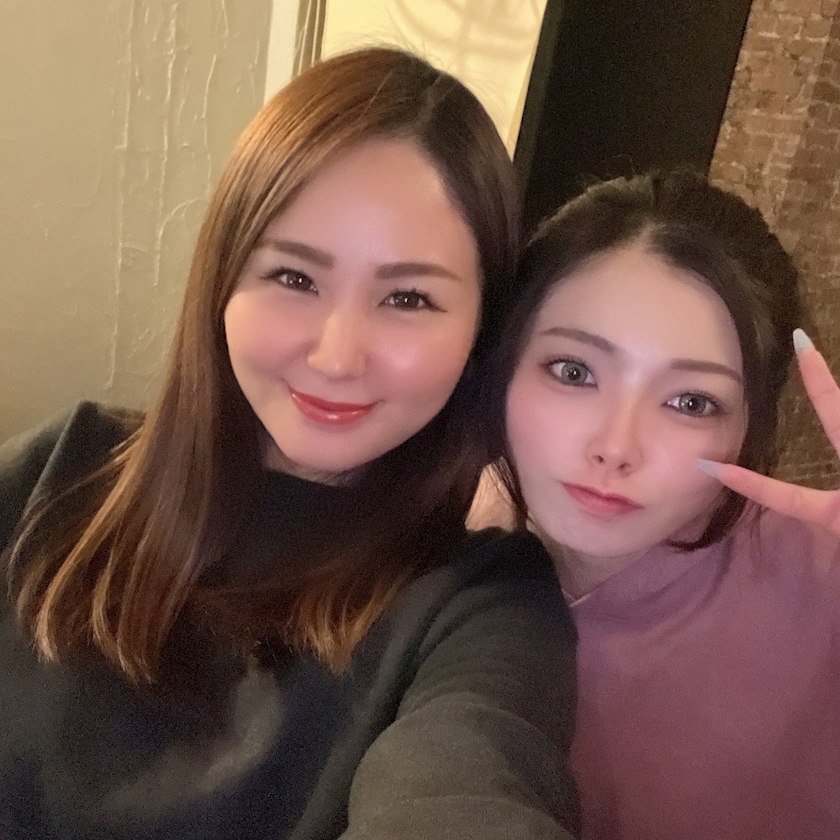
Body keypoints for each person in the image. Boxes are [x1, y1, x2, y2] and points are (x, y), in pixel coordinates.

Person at [0, 47, 579, 839]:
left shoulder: (480, 605)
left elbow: (469, 778)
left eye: (409, 298)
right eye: (295, 279)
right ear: (222, 284)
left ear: (482, 330)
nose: (337, 356)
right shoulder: (56, 472)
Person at [485, 169, 840, 839]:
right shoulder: (415, 550)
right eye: (573, 371)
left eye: (690, 402)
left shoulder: (823, 594)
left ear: (750, 427)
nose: (616, 447)